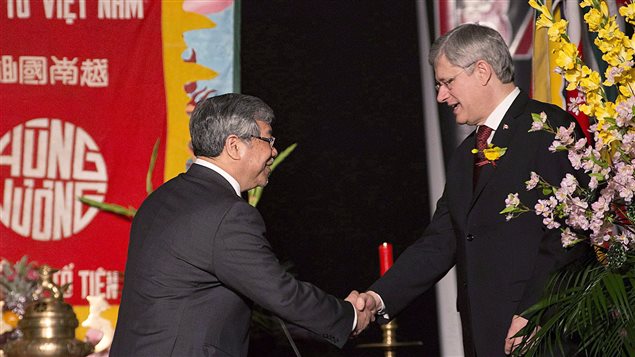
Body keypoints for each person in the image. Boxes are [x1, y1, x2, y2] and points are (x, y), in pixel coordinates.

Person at [356, 24, 590, 356]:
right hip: (485, 339)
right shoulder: (467, 154)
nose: (441, 96)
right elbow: (441, 241)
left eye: (447, 82)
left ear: (482, 71)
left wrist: (534, 312)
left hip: (542, 335)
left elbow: (570, 235)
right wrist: (377, 298)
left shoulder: (550, 128)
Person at [110, 93, 372, 356]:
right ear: (234, 146)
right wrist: (348, 316)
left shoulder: (158, 199)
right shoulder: (227, 212)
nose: (274, 151)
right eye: (268, 139)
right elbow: (281, 293)